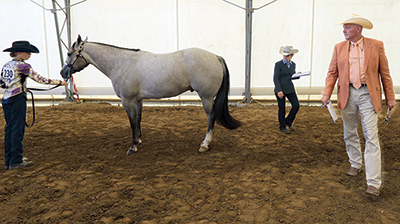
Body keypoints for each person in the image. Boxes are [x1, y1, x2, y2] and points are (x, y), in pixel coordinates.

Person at [321, 14, 396, 196]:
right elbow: (332, 72)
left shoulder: (376, 45)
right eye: (343, 27)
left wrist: (390, 97)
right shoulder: (339, 47)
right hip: (347, 94)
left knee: (371, 135)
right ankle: (355, 163)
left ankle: (373, 182)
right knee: (350, 131)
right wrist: (326, 93)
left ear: (358, 29)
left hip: (368, 94)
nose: (344, 30)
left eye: (348, 27)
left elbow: (385, 73)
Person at [1, 40, 68, 170]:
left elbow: (2, 83)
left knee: (9, 129)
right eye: (28, 52)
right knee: (17, 130)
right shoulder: (24, 66)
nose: (30, 54)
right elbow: (41, 79)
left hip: (7, 100)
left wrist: (16, 86)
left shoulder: (6, 65)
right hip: (17, 100)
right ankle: (16, 160)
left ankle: (9, 159)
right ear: (19, 53)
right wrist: (59, 83)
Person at [273, 45, 300, 134]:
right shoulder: (278, 64)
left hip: (290, 88)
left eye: (287, 55)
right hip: (281, 89)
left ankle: (288, 121)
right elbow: (276, 78)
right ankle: (282, 126)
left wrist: (298, 75)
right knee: (282, 108)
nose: (285, 56)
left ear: (291, 56)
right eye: (284, 55)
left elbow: (290, 77)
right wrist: (279, 90)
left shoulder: (293, 65)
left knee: (296, 105)